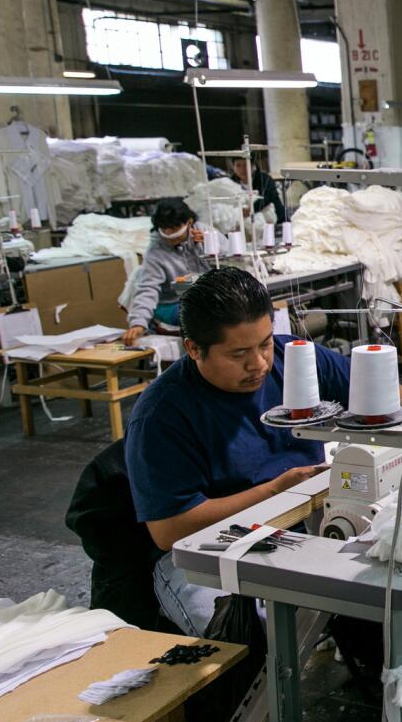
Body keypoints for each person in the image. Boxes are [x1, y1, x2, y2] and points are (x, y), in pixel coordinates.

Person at [125, 267, 349, 634]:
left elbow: (382, 396)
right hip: (207, 551)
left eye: (263, 343)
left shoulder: (291, 357)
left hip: (300, 527)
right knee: (252, 636)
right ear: (194, 349)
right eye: (239, 353)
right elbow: (169, 530)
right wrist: (275, 491)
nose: (260, 363)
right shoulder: (162, 416)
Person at [122, 198, 211, 346]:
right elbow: (147, 288)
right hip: (171, 303)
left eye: (175, 230)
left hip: (201, 296)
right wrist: (138, 322)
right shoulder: (156, 252)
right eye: (165, 230)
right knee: (203, 310)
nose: (170, 237)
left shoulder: (205, 233)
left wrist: (211, 244)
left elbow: (230, 262)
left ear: (188, 222)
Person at [230, 156, 286, 224]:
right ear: (233, 168)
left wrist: (251, 209)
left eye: (246, 165)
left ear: (253, 166)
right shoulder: (230, 183)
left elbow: (268, 196)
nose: (242, 169)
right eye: (238, 165)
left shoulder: (264, 179)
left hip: (277, 221)